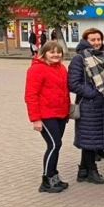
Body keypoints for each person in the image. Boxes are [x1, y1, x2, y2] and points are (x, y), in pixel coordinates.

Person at [25, 41, 71, 193]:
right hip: (45, 115)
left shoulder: (61, 68)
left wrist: (66, 112)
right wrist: (36, 119)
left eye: (58, 52)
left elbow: (64, 92)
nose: (56, 55)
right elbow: (31, 96)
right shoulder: (36, 69)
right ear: (44, 53)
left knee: (56, 145)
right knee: (54, 145)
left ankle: (54, 177)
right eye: (52, 52)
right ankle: (46, 180)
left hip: (60, 113)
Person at [67, 28, 104, 185]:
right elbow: (73, 83)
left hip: (101, 104)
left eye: (99, 39)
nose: (97, 42)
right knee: (89, 139)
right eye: (93, 40)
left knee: (91, 138)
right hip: (88, 104)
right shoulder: (79, 58)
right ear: (86, 40)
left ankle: (83, 171)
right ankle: (92, 171)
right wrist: (93, 92)